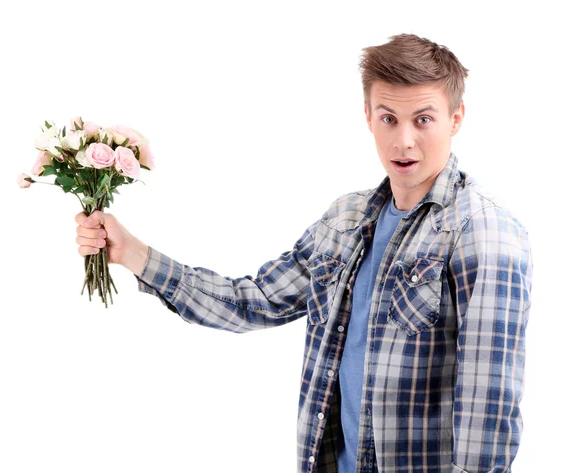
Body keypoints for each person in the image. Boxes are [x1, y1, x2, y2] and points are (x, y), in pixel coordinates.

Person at [74, 33, 533, 473]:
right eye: (388, 118)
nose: (404, 141)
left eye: (424, 119)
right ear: (368, 117)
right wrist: (132, 252)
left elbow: (488, 408)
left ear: (456, 119)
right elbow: (252, 301)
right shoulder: (345, 221)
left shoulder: (485, 233)